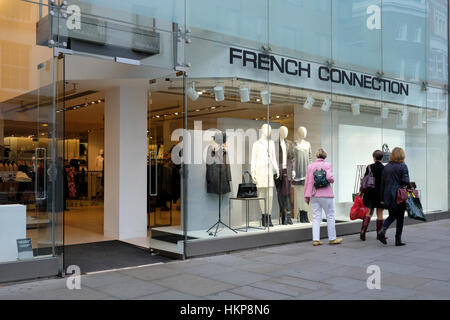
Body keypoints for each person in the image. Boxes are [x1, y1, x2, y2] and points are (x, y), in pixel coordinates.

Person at [304, 148, 343, 246]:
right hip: (326, 195)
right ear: (325, 156)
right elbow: (330, 178)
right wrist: (332, 179)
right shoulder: (327, 165)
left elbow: (307, 182)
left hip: (314, 194)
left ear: (317, 156)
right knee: (330, 215)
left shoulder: (310, 166)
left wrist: (307, 195)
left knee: (316, 217)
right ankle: (332, 238)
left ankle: (316, 240)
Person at [378, 147, 410, 246]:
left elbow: (382, 183)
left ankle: (382, 230)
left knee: (393, 215)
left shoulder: (386, 166)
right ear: (402, 155)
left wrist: (382, 198)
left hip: (388, 195)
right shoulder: (403, 166)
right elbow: (405, 181)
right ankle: (397, 239)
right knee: (400, 216)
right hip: (399, 195)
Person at [359, 150, 385, 241]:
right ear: (382, 158)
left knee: (369, 212)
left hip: (370, 192)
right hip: (380, 193)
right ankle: (379, 234)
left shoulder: (369, 167)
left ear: (374, 157)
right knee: (380, 213)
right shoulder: (384, 168)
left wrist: (361, 191)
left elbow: (365, 181)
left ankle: (363, 231)